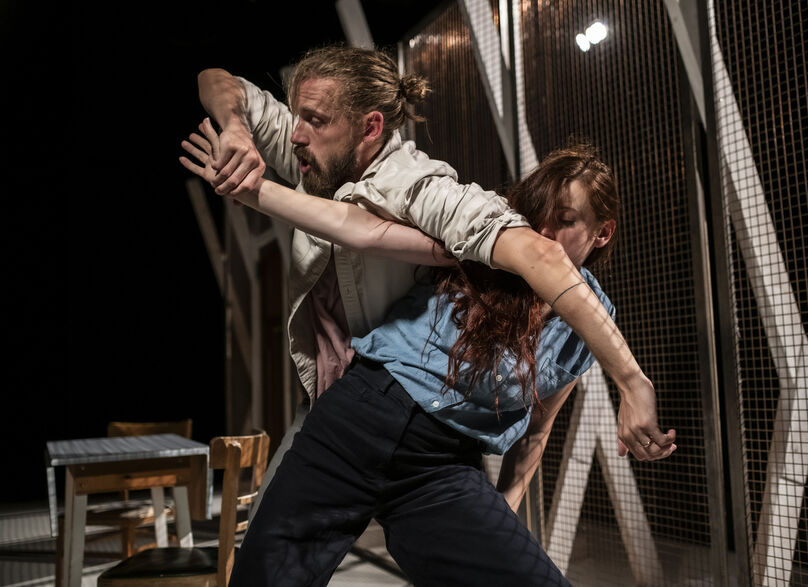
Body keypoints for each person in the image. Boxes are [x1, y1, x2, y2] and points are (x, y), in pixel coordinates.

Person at [181, 127, 677, 585]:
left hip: (439, 468)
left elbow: (536, 434)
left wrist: (499, 513)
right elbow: (356, 227)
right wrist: (257, 191)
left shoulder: (591, 325)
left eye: (566, 221)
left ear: (603, 233)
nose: (545, 234)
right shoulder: (489, 239)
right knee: (263, 577)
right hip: (358, 420)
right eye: (539, 217)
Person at [194, 46, 670, 470]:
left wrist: (631, 380)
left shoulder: (423, 187)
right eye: (296, 116)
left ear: (370, 127)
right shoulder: (317, 155)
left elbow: (536, 429)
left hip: (420, 422)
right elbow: (216, 78)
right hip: (344, 400)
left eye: (314, 119)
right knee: (274, 553)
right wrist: (237, 131)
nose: (296, 134)